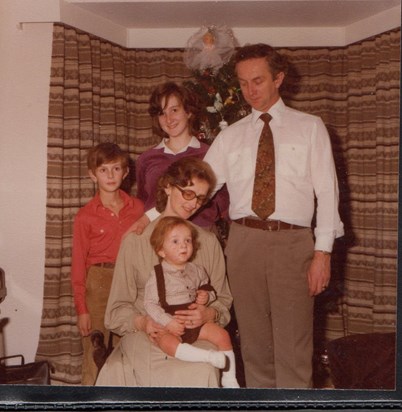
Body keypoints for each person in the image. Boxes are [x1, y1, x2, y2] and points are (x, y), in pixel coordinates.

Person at [203, 43, 344, 388]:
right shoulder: (230, 136)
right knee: (254, 346)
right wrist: (152, 216)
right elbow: (196, 187)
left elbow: (327, 193)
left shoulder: (310, 128)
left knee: (294, 346)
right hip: (244, 243)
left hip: (293, 243)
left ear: (278, 78)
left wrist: (322, 254)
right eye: (243, 83)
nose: (250, 91)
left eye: (258, 81)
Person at [95, 157, 233, 387]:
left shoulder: (208, 243)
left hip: (196, 334)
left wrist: (209, 315)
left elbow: (224, 300)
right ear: (168, 186)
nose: (193, 204)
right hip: (147, 335)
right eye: (188, 193)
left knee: (202, 371)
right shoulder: (136, 240)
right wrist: (143, 323)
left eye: (200, 198)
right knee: (124, 371)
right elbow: (116, 310)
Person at [71, 142, 144, 385]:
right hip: (99, 284)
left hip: (130, 282)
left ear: (125, 173)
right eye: (103, 170)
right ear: (92, 175)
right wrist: (82, 309)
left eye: (116, 169)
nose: (110, 175)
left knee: (128, 349)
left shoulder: (138, 209)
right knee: (95, 352)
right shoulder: (85, 215)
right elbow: (79, 264)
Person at [144, 216, 239, 388]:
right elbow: (150, 304)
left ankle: (230, 379)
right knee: (167, 344)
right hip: (171, 324)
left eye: (187, 240)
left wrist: (206, 296)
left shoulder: (197, 270)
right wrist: (168, 322)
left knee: (222, 335)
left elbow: (209, 290)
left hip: (196, 321)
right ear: (161, 251)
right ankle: (208, 357)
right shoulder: (157, 275)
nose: (183, 245)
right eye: (175, 241)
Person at [133, 81, 229, 233]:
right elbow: (143, 201)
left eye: (174, 110)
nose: (168, 119)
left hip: (200, 234)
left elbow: (223, 203)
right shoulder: (146, 159)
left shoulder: (210, 154)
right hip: (157, 232)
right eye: (162, 113)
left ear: (188, 112)